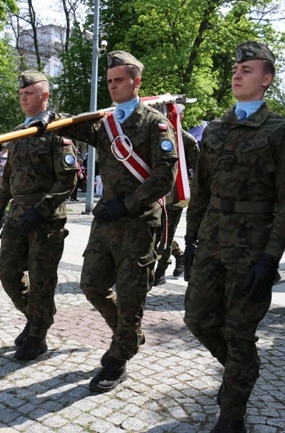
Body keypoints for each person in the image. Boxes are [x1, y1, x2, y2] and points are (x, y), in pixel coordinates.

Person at [30, 50, 178, 393]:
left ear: (136, 82)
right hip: (106, 221)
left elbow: (163, 179)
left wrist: (126, 205)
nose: (112, 86)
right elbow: (80, 127)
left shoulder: (155, 124)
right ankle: (130, 334)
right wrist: (50, 119)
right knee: (92, 285)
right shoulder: (107, 123)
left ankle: (119, 356)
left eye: (119, 80)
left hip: (138, 221)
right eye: (109, 81)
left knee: (130, 296)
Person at [182, 41, 285, 433]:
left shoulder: (280, 133)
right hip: (213, 239)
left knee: (239, 331)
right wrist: (190, 241)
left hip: (252, 248)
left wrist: (270, 258)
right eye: (236, 69)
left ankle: (231, 414)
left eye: (248, 70)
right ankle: (243, 370)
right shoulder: (216, 129)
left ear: (267, 79)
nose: (237, 74)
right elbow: (200, 190)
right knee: (197, 319)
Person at [0, 70, 79, 361]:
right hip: (17, 215)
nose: (22, 97)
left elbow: (67, 180)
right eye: (21, 93)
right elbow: (8, 174)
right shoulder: (18, 132)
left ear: (44, 96)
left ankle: (37, 335)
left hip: (45, 220)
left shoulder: (59, 131)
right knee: (8, 274)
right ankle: (38, 318)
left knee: (42, 280)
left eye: (28, 93)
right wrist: (0, 205)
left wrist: (41, 208)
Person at [154, 103, 199, 286]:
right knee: (156, 233)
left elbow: (198, 169)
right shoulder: (156, 134)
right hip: (155, 193)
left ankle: (160, 270)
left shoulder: (187, 140)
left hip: (175, 195)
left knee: (166, 233)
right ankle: (178, 255)